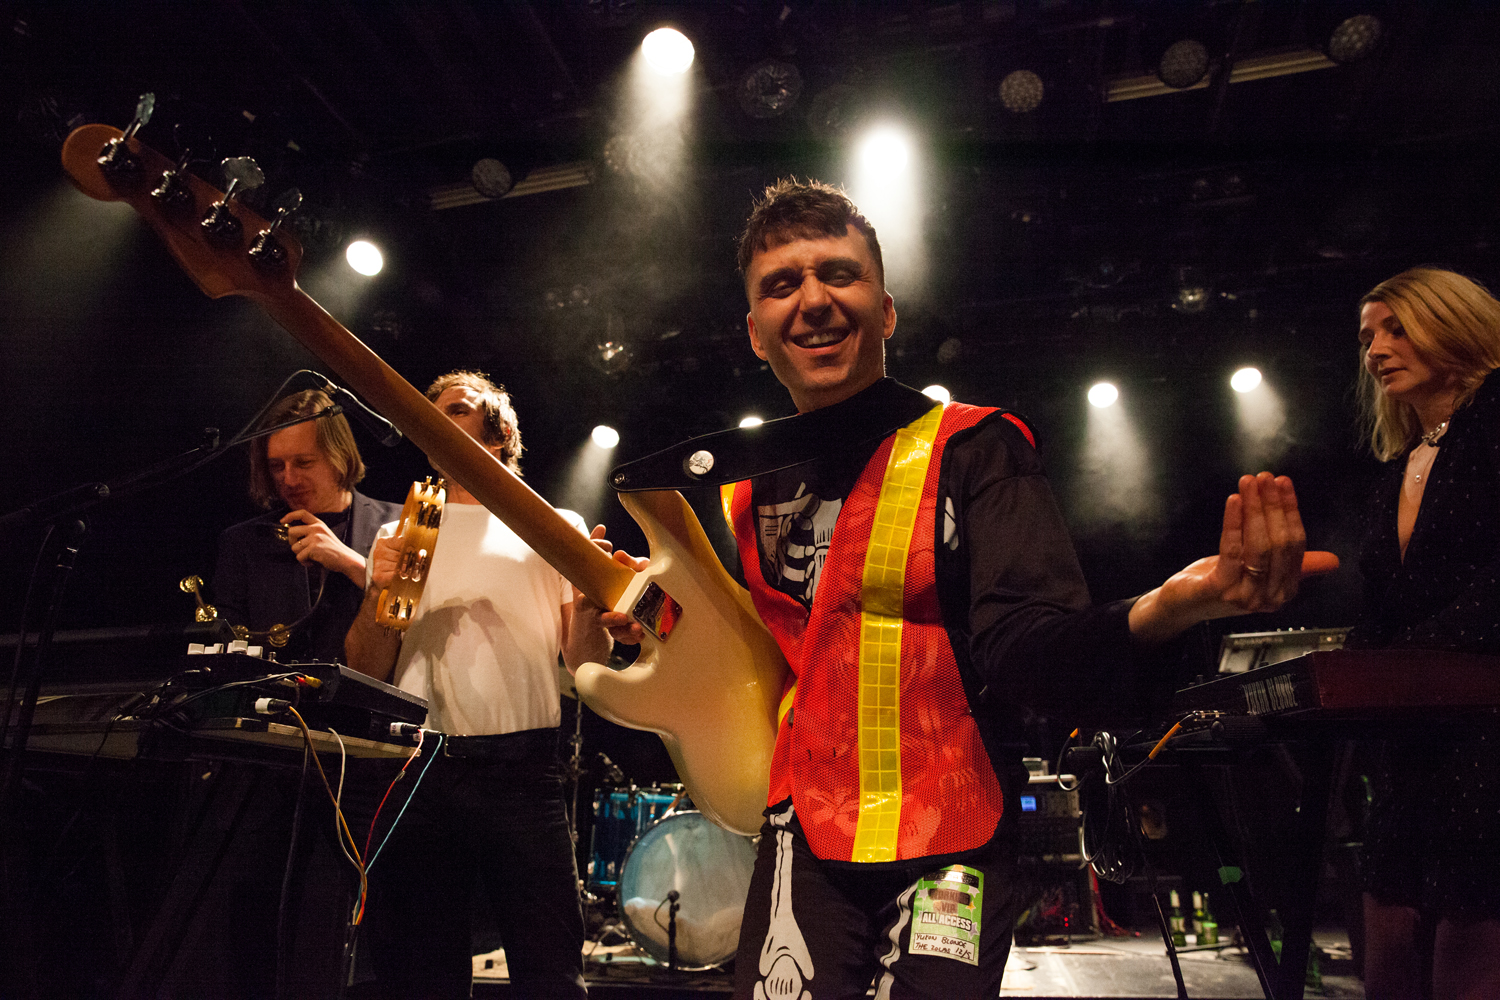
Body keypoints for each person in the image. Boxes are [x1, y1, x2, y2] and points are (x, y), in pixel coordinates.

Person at [596, 179, 1331, 999]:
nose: (812, 301)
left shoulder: (976, 447)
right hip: (804, 825)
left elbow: (1030, 650)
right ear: (755, 334)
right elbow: (766, 659)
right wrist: (648, 627)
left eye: (839, 274)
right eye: (782, 284)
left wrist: (1167, 608)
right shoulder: (744, 487)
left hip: (953, 829)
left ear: (887, 308)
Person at [345, 370, 615, 999]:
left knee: (549, 971)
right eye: (430, 409)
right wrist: (378, 594)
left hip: (521, 774)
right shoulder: (411, 523)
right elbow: (366, 670)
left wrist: (590, 610)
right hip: (420, 768)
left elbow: (584, 663)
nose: (437, 415)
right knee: (420, 974)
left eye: (459, 407)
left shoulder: (552, 524)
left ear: (499, 431)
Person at [1350, 267, 1500, 1000]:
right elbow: (1383, 603)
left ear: (1456, 324)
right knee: (1388, 912)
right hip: (1417, 727)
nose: (1375, 350)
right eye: (1368, 336)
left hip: (1487, 720)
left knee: (1475, 923)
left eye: (1396, 328)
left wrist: (1410, 658)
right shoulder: (1399, 466)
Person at [212, 387, 400, 663]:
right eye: (277, 466)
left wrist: (352, 564)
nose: (288, 479)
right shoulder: (242, 543)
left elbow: (423, 625)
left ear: (339, 456)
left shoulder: (398, 523)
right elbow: (228, 653)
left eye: (304, 463)